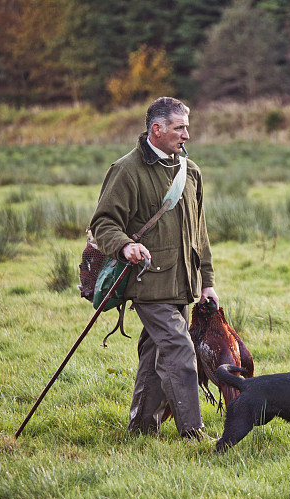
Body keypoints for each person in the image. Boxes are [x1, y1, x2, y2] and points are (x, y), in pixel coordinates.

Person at [90, 96, 217, 441]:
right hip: (147, 283)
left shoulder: (191, 172)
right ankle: (193, 430)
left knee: (154, 352)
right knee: (178, 349)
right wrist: (125, 245)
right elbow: (103, 224)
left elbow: (200, 234)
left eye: (187, 127)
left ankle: (142, 428)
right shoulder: (126, 170)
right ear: (157, 129)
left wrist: (206, 282)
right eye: (180, 127)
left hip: (184, 283)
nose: (187, 135)